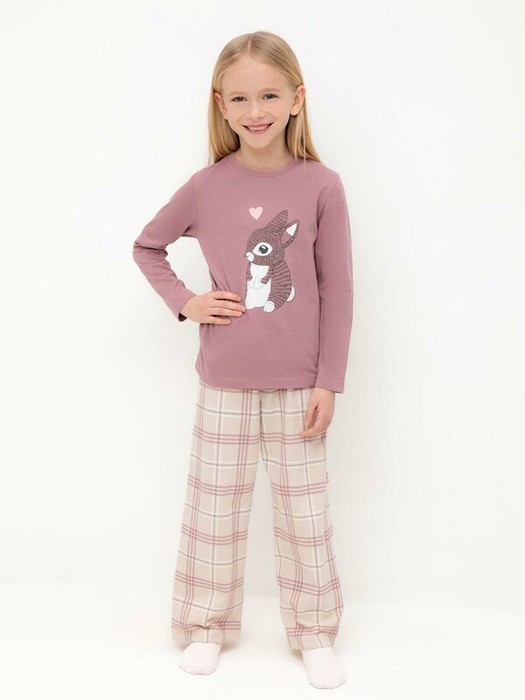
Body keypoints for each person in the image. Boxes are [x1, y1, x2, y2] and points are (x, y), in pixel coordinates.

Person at [132, 30, 354, 690]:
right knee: (215, 512)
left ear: (296, 99)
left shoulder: (322, 185)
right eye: (239, 99)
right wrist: (187, 302)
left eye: (268, 96)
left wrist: (329, 380)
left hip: (299, 386)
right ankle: (205, 626)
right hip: (224, 381)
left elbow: (339, 288)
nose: (255, 111)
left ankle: (314, 632)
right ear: (221, 105)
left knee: (304, 518)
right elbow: (148, 247)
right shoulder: (206, 187)